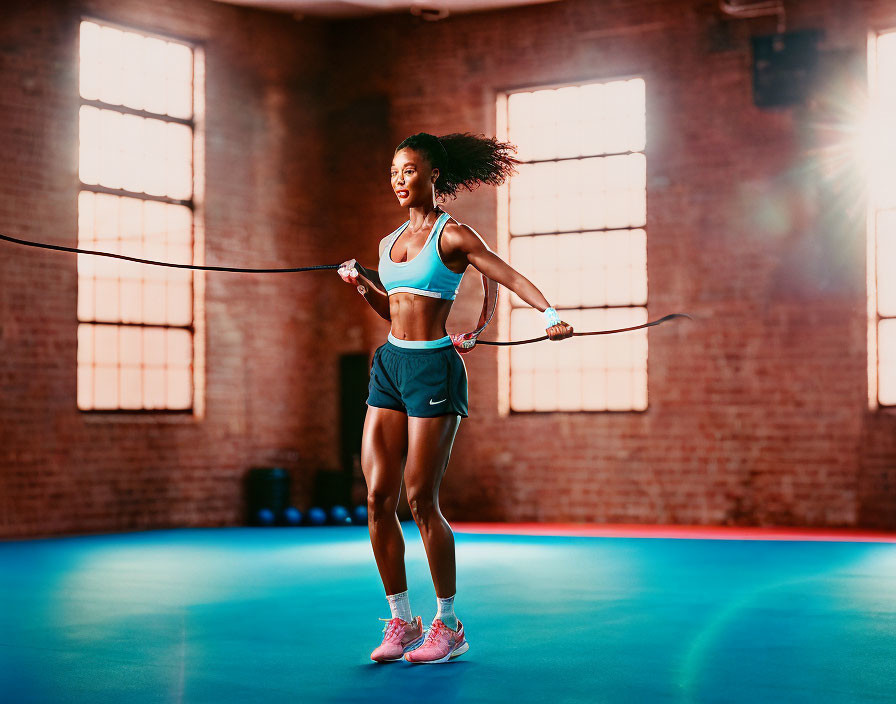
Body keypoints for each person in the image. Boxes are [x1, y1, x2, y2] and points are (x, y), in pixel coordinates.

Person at [337, 132, 573, 664]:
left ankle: (447, 624)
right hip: (390, 366)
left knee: (420, 500)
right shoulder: (388, 242)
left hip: (433, 370)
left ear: (433, 175)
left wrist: (550, 314)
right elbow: (391, 312)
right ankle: (401, 619)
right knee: (377, 498)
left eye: (409, 171)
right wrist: (362, 286)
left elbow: (505, 274)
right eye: (394, 170)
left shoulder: (454, 237)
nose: (399, 180)